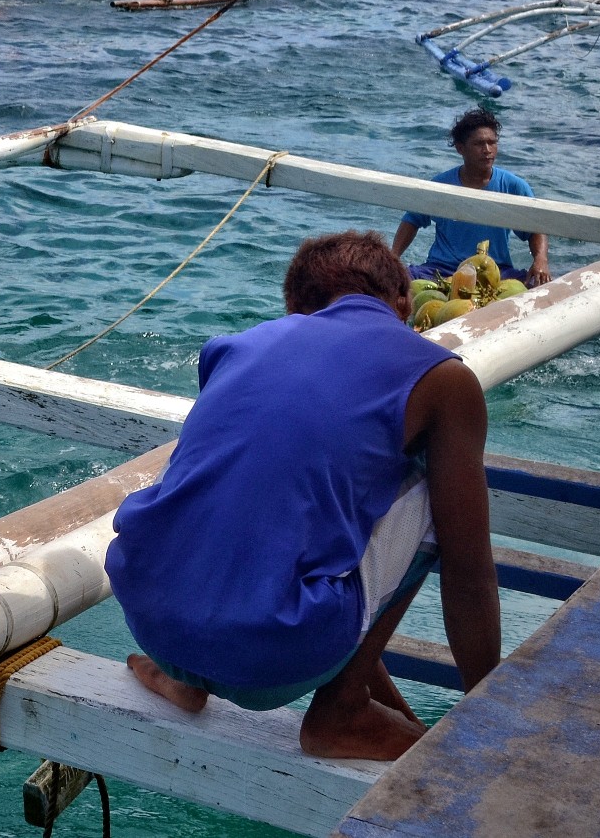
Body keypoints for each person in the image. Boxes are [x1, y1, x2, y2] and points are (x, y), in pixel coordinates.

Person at [106, 230, 499, 761]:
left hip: (152, 620)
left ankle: (189, 680)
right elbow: (468, 568)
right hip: (266, 656)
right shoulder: (442, 377)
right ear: (404, 299)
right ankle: (341, 714)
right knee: (439, 493)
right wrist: (491, 719)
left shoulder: (234, 347)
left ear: (294, 307)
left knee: (248, 487)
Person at [393, 108, 550, 287]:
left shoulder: (513, 186)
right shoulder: (441, 184)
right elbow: (412, 220)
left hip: (495, 272)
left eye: (492, 143)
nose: (487, 150)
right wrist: (393, 257)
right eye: (479, 144)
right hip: (441, 270)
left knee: (541, 287)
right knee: (396, 282)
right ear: (460, 148)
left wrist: (541, 259)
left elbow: (537, 226)